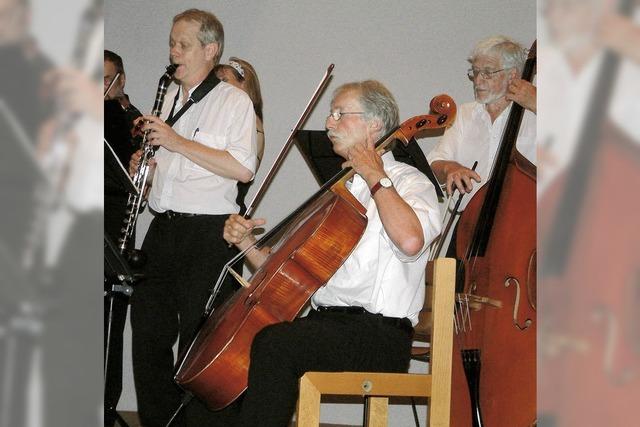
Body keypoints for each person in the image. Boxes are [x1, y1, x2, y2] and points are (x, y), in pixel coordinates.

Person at [222, 80, 442, 427]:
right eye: (330, 113)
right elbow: (293, 274)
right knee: (238, 347)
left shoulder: (411, 182)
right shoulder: (340, 189)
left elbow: (412, 241)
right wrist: (246, 244)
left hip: (379, 335)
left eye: (341, 114)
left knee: (276, 345)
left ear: (375, 125)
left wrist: (374, 174)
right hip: (327, 325)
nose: (329, 122)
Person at [127, 8, 258, 427]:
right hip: (162, 228)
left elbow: (243, 168)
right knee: (147, 335)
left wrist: (176, 141)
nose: (173, 52)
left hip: (207, 234)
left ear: (211, 49)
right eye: (171, 43)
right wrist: (144, 169)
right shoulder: (165, 97)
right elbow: (168, 165)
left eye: (183, 45)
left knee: (198, 342)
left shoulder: (234, 102)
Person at [427, 35, 536, 200]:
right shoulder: (464, 114)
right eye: (475, 71)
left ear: (512, 75)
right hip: (467, 221)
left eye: (487, 72)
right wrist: (450, 168)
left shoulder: (534, 114)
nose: (478, 80)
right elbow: (435, 161)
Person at [103, 48, 142, 427]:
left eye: (103, 80)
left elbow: (140, 180)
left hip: (112, 234)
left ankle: (105, 408)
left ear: (120, 81)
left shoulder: (132, 120)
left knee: (107, 329)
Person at [215, 57, 265, 214]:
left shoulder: (251, 121)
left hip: (226, 215)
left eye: (224, 81)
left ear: (244, 84)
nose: (218, 88)